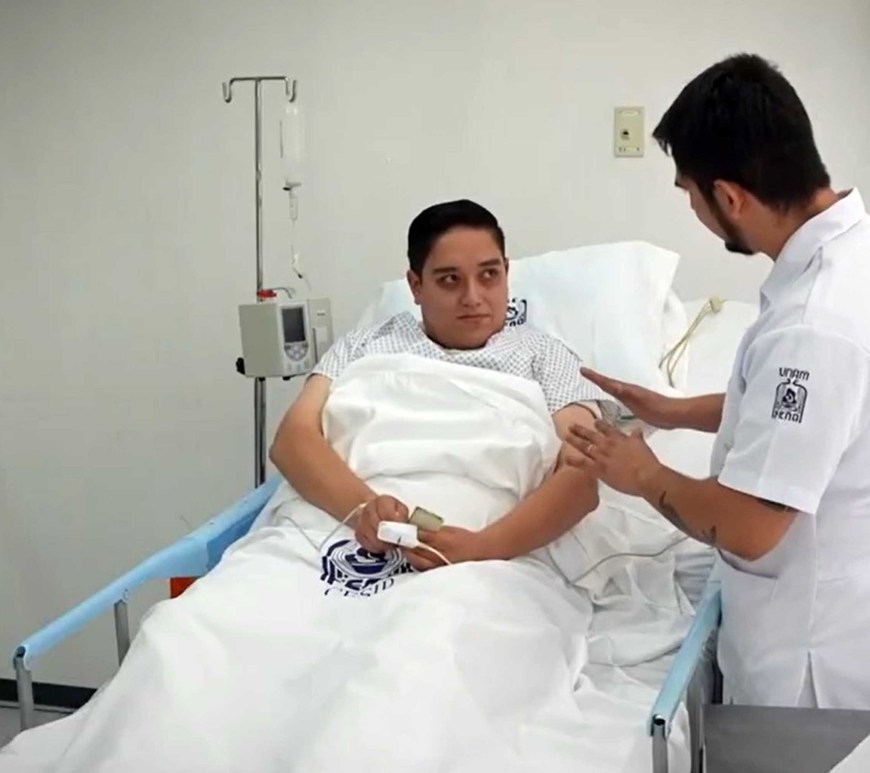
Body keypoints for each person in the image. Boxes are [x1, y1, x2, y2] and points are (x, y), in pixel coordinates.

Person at [564, 53, 870, 710]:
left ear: (729, 196)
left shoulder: (814, 325)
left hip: (809, 670)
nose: (694, 209)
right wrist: (673, 411)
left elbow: (752, 525)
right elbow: (807, 415)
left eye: (690, 194)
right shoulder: (852, 257)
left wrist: (644, 473)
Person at [270, 198, 614, 570]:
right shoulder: (364, 344)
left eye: (489, 275)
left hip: (492, 543)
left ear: (506, 272)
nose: (473, 298)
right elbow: (292, 439)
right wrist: (364, 509)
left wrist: (483, 547)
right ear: (416, 286)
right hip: (341, 524)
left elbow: (582, 472)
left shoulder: (545, 355)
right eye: (450, 280)